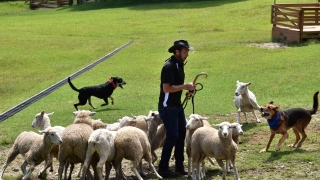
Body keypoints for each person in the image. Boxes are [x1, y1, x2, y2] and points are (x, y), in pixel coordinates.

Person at [157, 40, 196, 178]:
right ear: (177, 51)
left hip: (177, 105)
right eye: (185, 52)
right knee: (173, 135)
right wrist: (185, 86)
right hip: (167, 107)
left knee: (181, 133)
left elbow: (176, 86)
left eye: (187, 52)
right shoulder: (169, 66)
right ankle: (163, 168)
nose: (187, 55)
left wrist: (188, 90)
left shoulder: (179, 64)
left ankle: (179, 166)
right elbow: (166, 88)